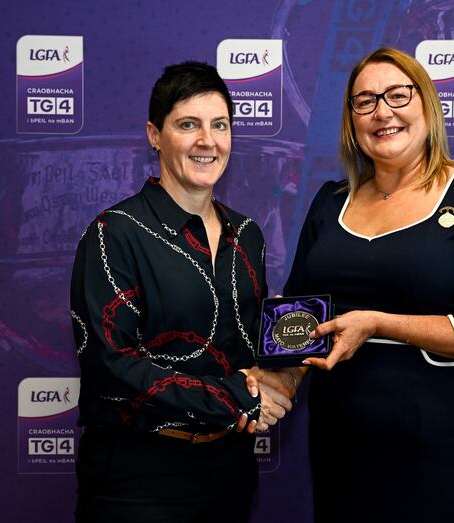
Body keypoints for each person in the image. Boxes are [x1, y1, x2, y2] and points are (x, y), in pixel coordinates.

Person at [281, 48, 454, 522]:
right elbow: (298, 319)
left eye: (397, 94)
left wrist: (378, 324)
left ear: (427, 105)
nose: (383, 112)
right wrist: (278, 380)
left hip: (449, 453)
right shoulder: (329, 202)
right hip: (345, 448)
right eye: (365, 101)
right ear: (351, 120)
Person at [69, 61, 291, 523]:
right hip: (140, 478)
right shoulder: (116, 233)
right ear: (155, 135)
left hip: (230, 470)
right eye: (188, 124)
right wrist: (235, 399)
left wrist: (285, 372)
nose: (207, 141)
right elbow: (112, 367)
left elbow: (250, 353)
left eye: (220, 126)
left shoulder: (247, 234)